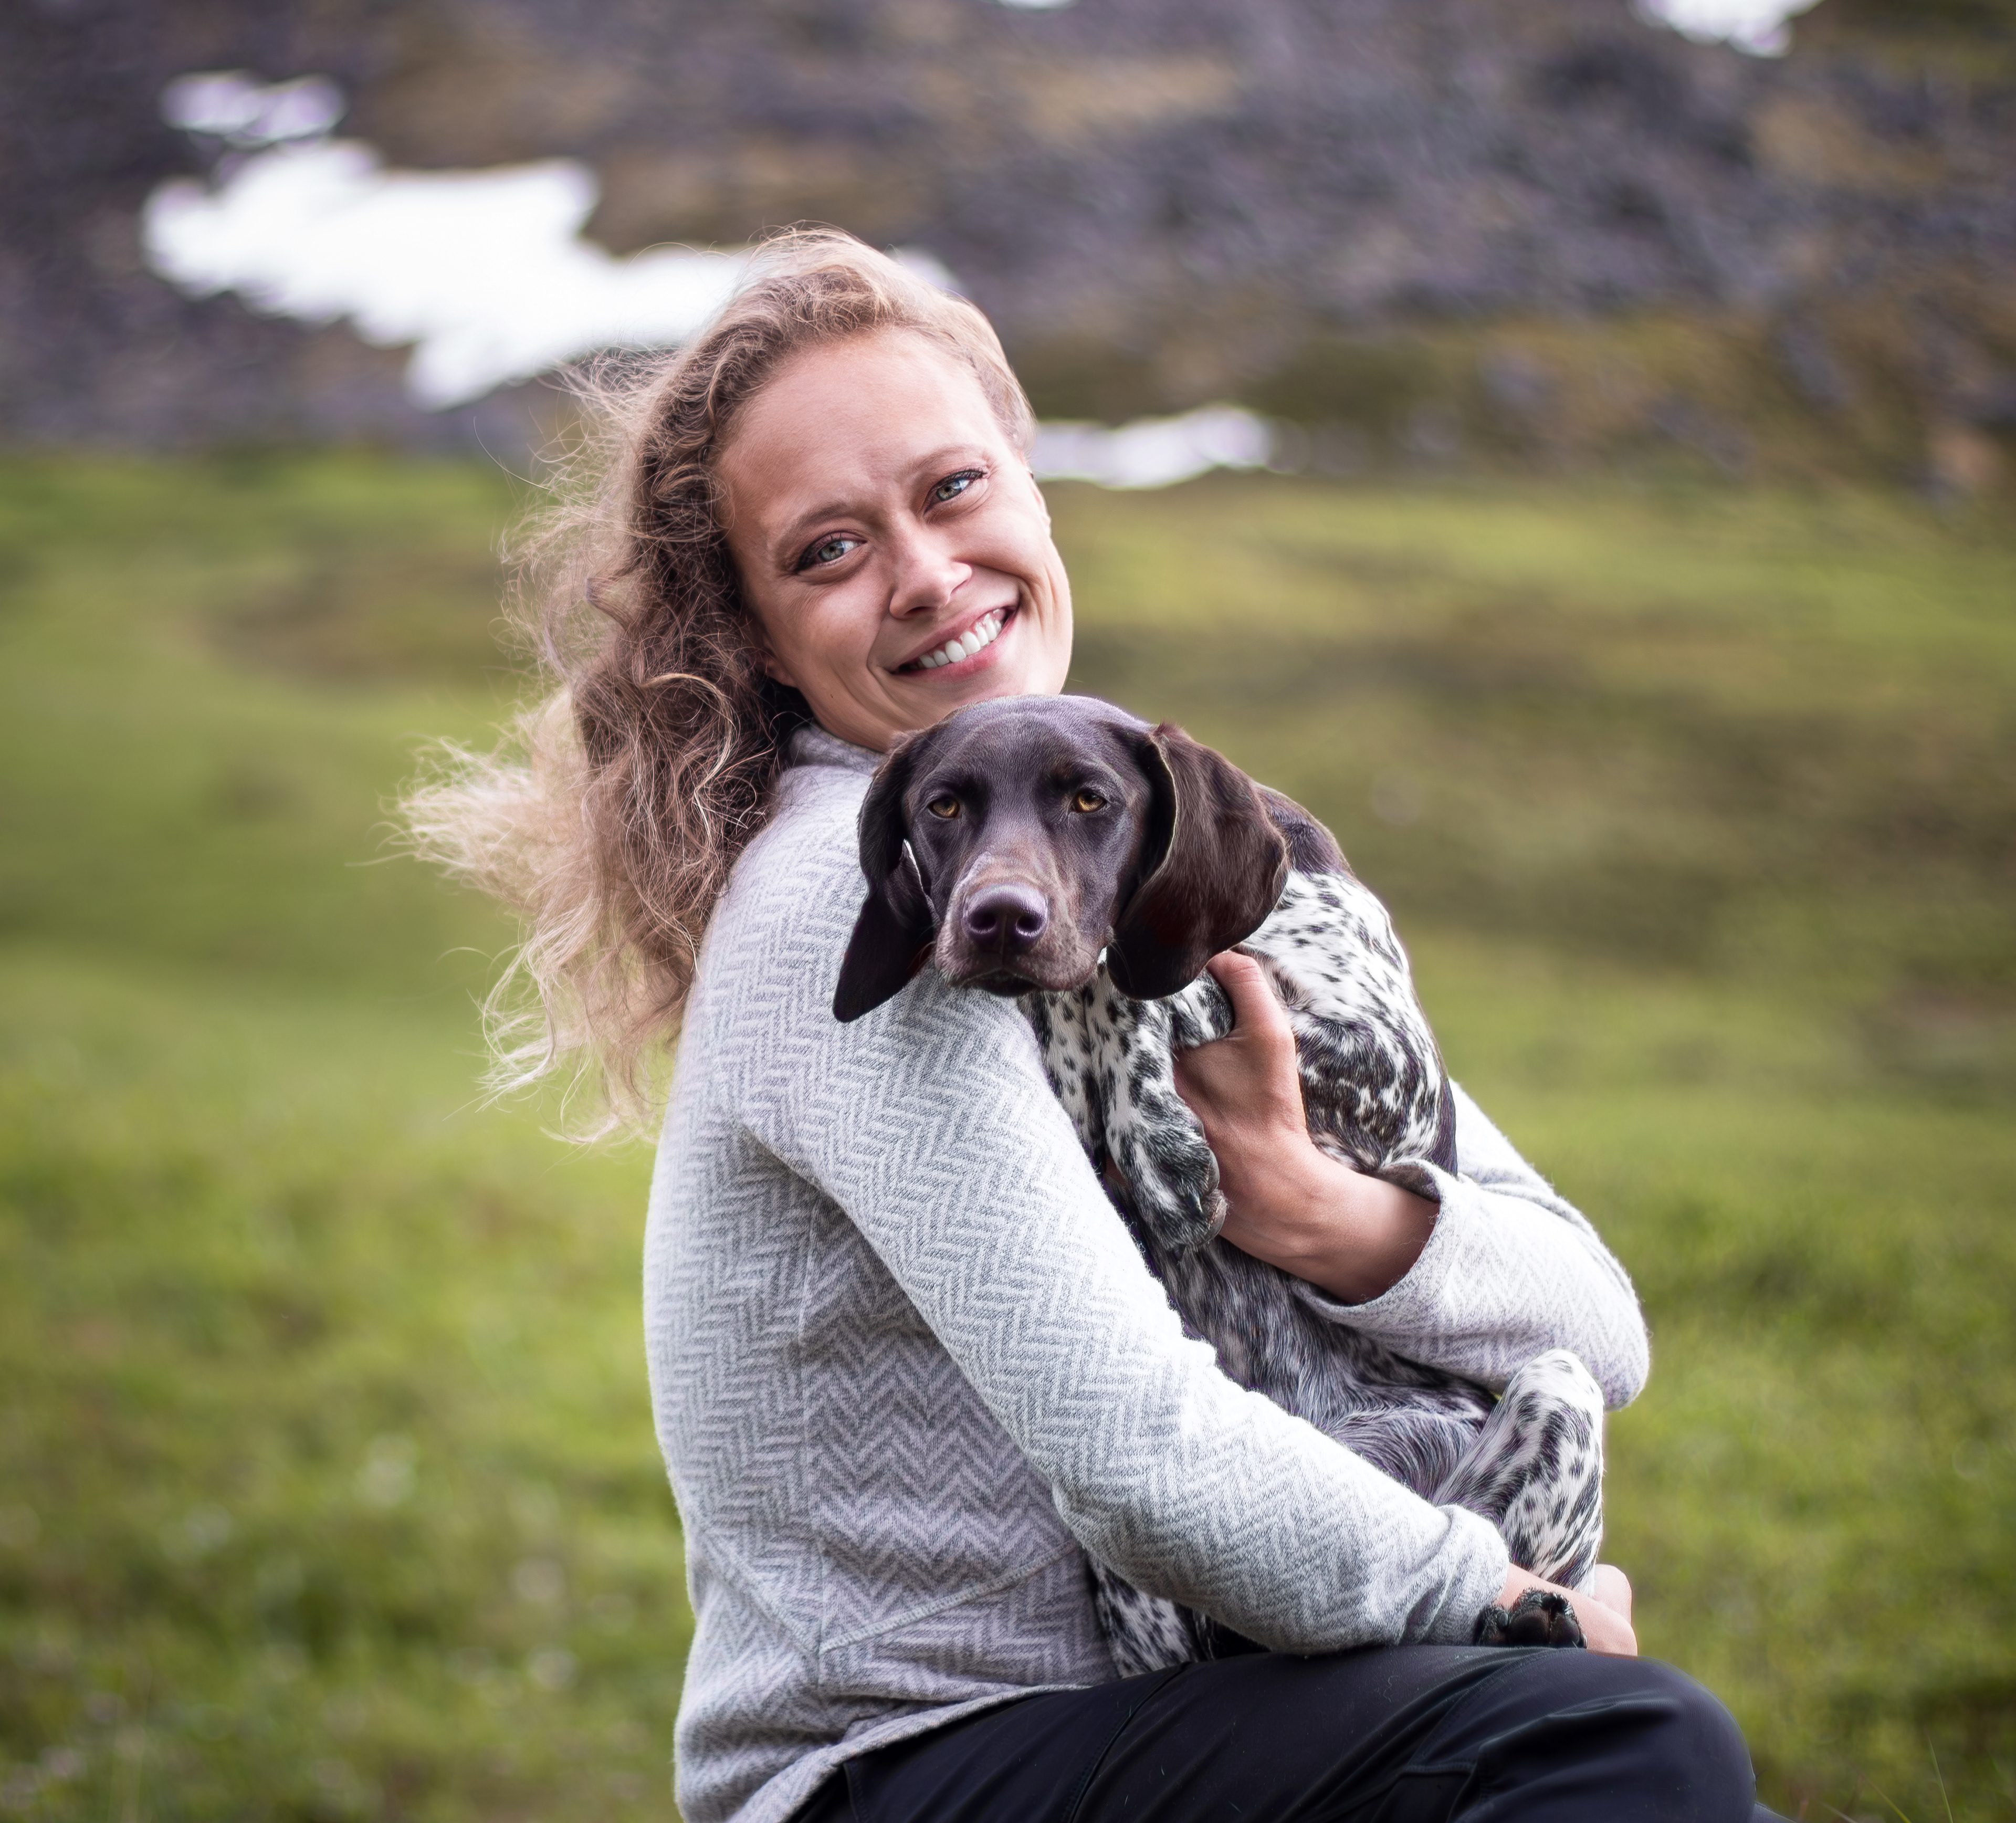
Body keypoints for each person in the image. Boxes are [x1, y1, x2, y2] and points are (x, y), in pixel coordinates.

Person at [406, 230, 1779, 1823]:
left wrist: (1316, 1208)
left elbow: (1599, 1334)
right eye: (829, 551)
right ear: (760, 637)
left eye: (954, 489)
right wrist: (1513, 1614)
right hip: (904, 1762)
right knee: (1609, 1748)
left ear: (1033, 490)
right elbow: (1139, 1456)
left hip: (1173, 1704)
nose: (928, 574)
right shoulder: (859, 899)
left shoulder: (1131, 863)